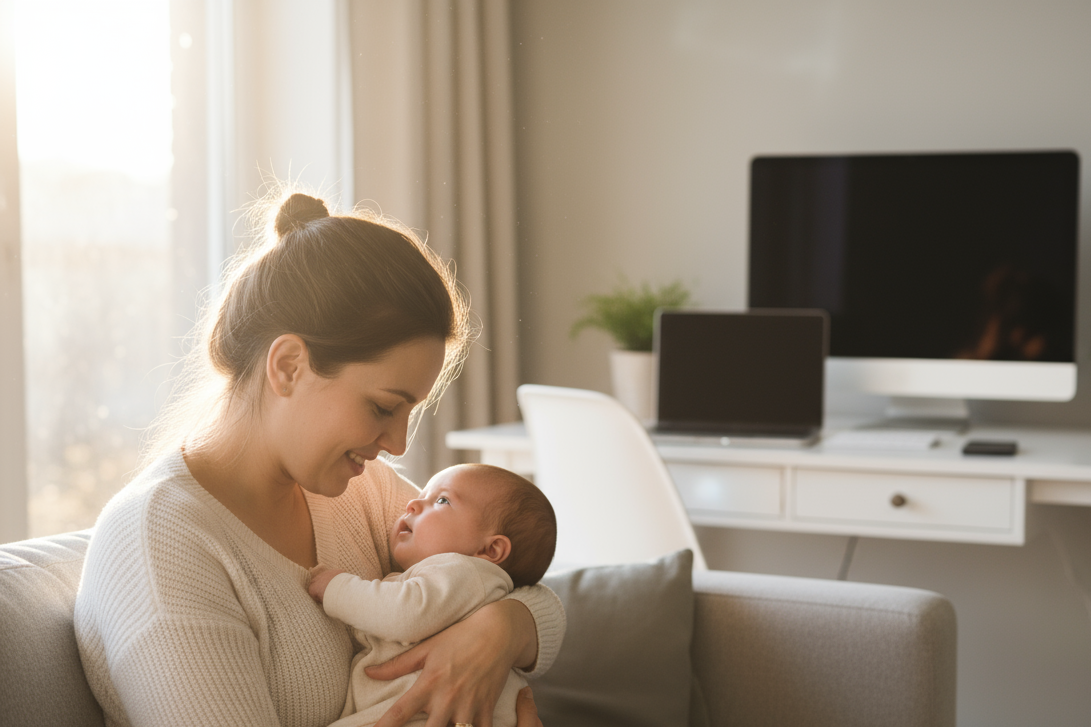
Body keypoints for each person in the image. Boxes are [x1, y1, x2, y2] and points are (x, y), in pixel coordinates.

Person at [73, 191, 566, 727]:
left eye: (409, 413)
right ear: (287, 366)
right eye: (383, 407)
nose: (398, 445)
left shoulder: (361, 490)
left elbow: (519, 582)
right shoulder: (162, 545)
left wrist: (498, 632)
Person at [307, 463, 557, 727]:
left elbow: (403, 614)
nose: (412, 503)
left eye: (441, 500)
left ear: (491, 550)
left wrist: (336, 588)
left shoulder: (465, 572)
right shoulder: (462, 579)